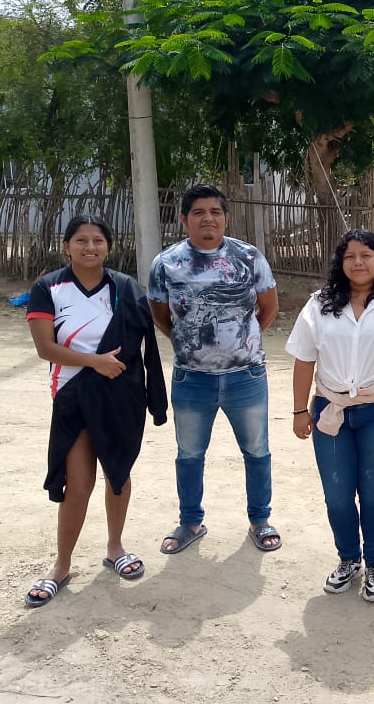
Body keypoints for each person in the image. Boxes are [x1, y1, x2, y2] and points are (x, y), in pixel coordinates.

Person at [24, 215, 168, 608]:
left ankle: (115, 547)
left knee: (118, 474)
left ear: (108, 246)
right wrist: (94, 362)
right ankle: (61, 566)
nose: (90, 247)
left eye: (98, 241)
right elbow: (45, 348)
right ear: (67, 246)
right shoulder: (48, 288)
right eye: (82, 240)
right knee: (78, 482)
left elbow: (146, 347)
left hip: (121, 396)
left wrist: (150, 395)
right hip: (72, 397)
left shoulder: (125, 288)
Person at [286, 229, 374, 602]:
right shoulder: (319, 305)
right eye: (350, 256)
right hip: (330, 410)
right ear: (340, 262)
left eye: (366, 255)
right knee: (337, 495)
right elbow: (304, 359)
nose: (358, 262)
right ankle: (349, 559)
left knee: (373, 491)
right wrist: (300, 410)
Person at [148, 185, 281, 554]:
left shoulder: (249, 258)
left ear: (226, 217)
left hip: (246, 376)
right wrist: (189, 343)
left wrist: (241, 343)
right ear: (183, 219)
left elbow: (269, 308)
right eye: (198, 212)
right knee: (189, 453)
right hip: (191, 378)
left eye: (215, 212)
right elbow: (160, 313)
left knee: (257, 450)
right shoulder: (166, 263)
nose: (207, 218)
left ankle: (260, 520)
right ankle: (190, 522)